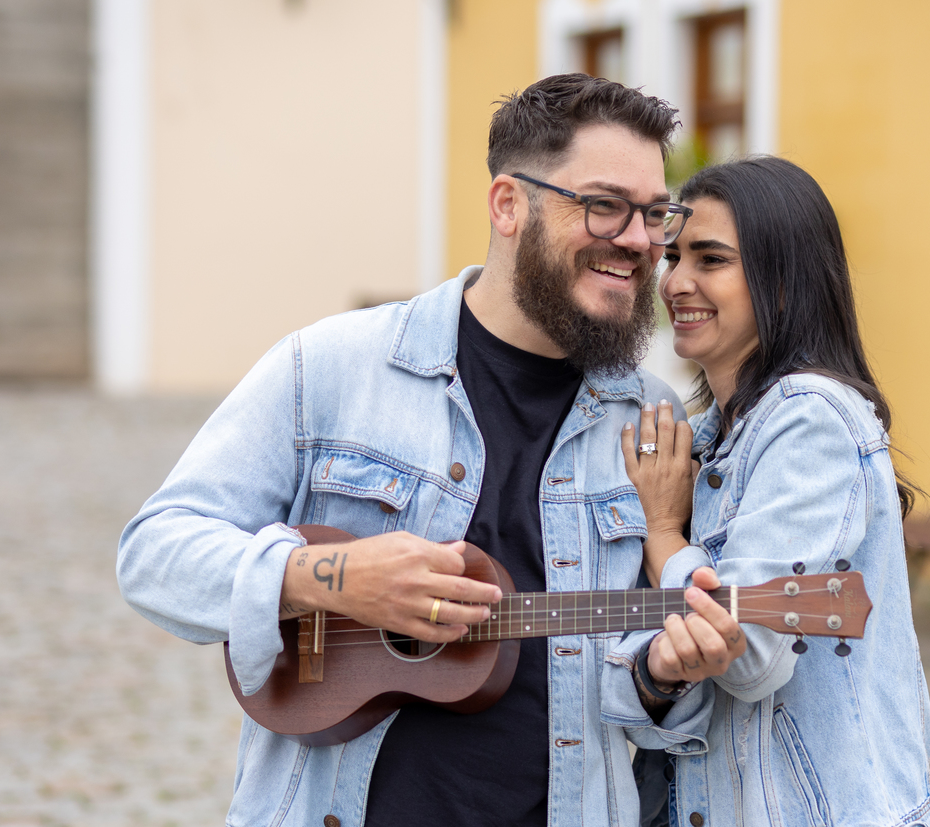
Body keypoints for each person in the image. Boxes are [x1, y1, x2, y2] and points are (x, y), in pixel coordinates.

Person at [117, 73, 746, 827]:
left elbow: (651, 700)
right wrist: (334, 576)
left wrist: (666, 677)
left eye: (653, 213)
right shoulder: (332, 367)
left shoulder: (651, 416)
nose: (641, 240)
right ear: (509, 204)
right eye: (605, 205)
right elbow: (155, 555)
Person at [620, 156, 930, 827]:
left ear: (780, 280)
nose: (676, 282)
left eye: (710, 259)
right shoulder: (707, 436)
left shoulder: (810, 416)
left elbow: (750, 657)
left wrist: (663, 533)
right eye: (674, 256)